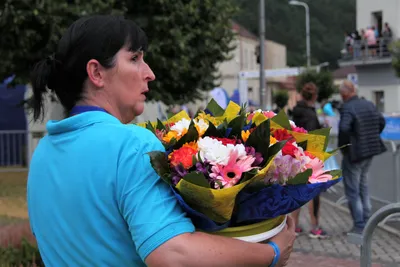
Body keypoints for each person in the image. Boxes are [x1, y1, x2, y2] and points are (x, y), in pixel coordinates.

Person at [27, 15, 296, 266]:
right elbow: (170, 252)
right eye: (135, 58)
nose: (150, 72)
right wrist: (270, 253)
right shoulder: (133, 145)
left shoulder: (43, 154)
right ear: (96, 73)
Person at [338, 80, 386, 235]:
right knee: (363, 186)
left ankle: (359, 226)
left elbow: (344, 128)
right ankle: (368, 222)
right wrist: (370, 136)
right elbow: (381, 121)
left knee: (353, 190)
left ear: (345, 94)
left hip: (354, 154)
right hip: (370, 151)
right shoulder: (369, 104)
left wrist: (346, 147)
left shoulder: (348, 107)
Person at [291, 82, 329, 239]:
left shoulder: (296, 111)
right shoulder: (311, 115)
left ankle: (294, 226)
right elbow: (314, 138)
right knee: (314, 192)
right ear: (314, 96)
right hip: (310, 156)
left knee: (297, 191)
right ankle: (315, 227)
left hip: (295, 155)